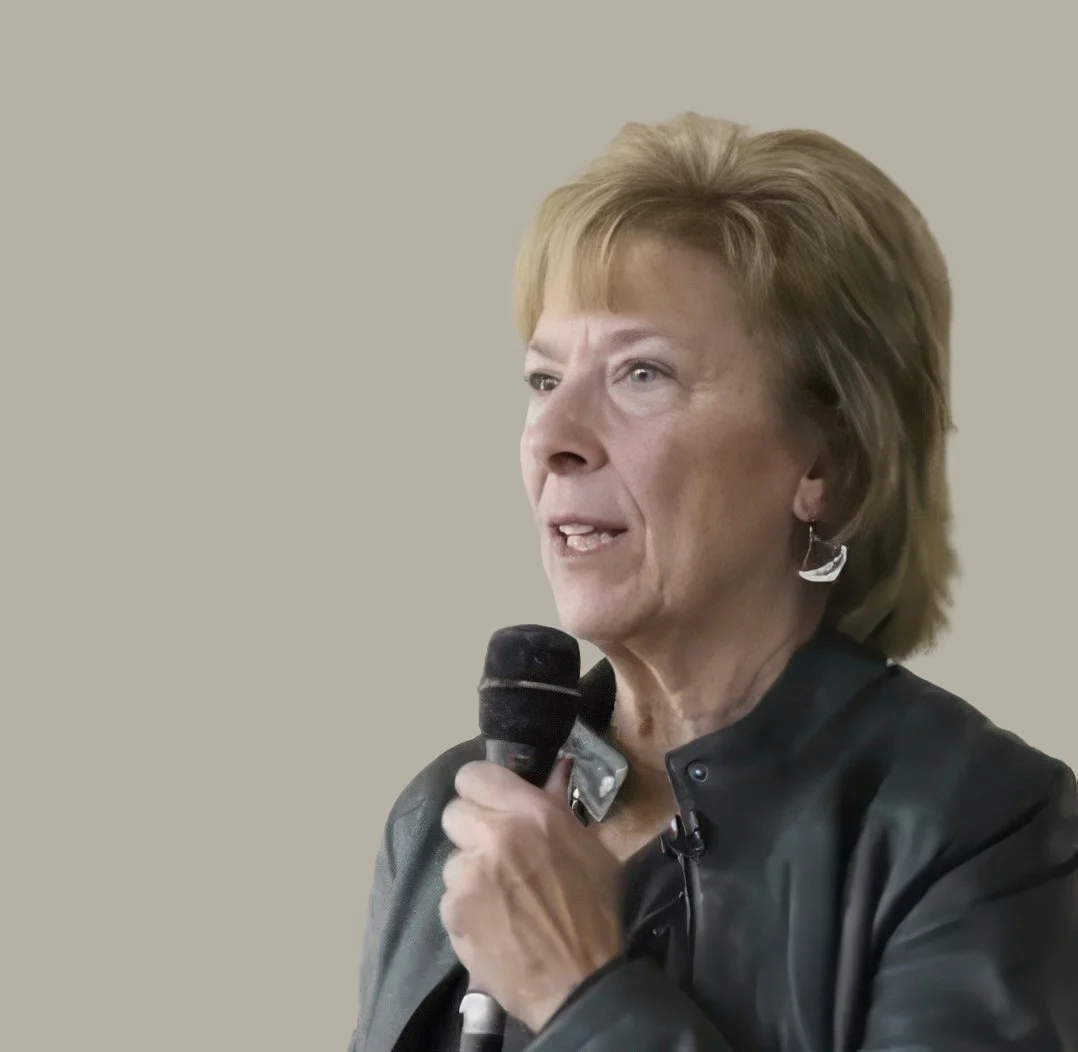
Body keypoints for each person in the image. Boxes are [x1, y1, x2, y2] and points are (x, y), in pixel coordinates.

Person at [347, 114, 1078, 1051]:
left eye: (641, 374)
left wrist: (585, 996)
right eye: (541, 380)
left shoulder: (970, 824)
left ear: (829, 461)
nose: (553, 435)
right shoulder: (446, 815)